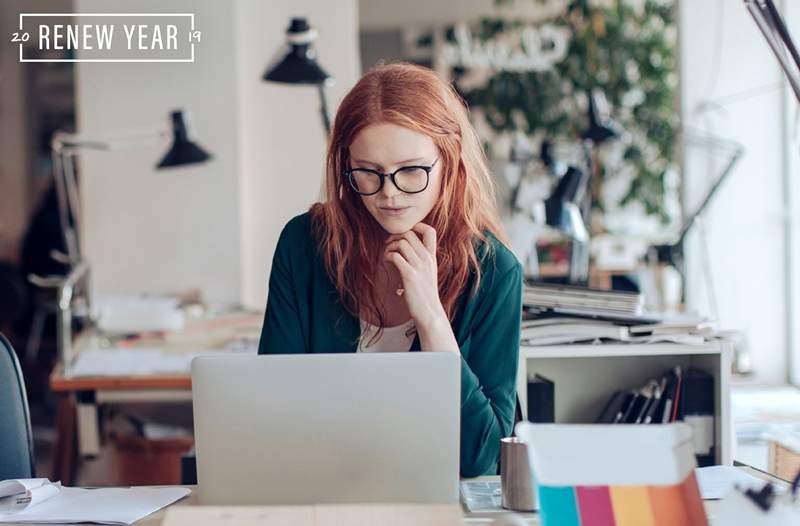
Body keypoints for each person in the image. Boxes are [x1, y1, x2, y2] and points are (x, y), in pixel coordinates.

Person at [258, 62, 522, 477]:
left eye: (412, 171)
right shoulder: (305, 243)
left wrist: (432, 317)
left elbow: (481, 457)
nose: (389, 194)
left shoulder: (494, 271)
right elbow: (271, 410)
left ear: (448, 161)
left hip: (435, 499)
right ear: (346, 167)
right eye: (368, 173)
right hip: (320, 487)